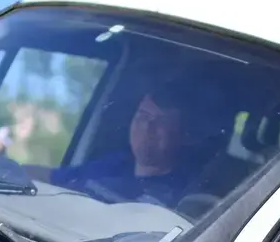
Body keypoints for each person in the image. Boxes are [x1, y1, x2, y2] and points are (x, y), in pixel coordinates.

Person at [50, 87, 197, 207]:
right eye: (142, 117)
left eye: (161, 122)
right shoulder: (115, 163)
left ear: (182, 135)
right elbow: (53, 178)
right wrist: (25, 173)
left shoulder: (183, 195)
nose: (147, 127)